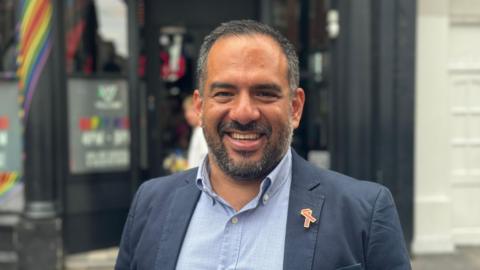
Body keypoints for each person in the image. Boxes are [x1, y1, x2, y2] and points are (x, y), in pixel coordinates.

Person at [115, 20, 411, 270]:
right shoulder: (150, 204)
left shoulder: (363, 215)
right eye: (224, 93)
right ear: (200, 106)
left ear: (295, 107)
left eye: (265, 93)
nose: (244, 113)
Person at [182, 95, 208, 168]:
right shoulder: (197, 130)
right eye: (186, 111)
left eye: (191, 111)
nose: (187, 115)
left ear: (200, 110)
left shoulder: (202, 132)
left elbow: (205, 159)